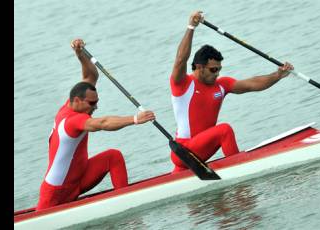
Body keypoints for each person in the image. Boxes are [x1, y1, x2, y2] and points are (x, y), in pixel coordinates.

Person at [36, 39, 156, 210]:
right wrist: (135, 119)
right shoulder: (72, 121)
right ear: (77, 101)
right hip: (55, 192)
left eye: (96, 102)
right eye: (92, 104)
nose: (95, 107)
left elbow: (90, 77)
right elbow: (103, 123)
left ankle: (126, 202)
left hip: (78, 179)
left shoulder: (73, 103)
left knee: (113, 157)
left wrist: (80, 55)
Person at [169, 11, 294, 173]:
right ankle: (240, 170)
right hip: (184, 152)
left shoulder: (221, 85)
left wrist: (277, 75)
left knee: (173, 182)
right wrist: (191, 27)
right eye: (213, 69)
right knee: (224, 130)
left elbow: (252, 84)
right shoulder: (183, 84)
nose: (217, 74)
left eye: (219, 69)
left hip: (199, 152)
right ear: (199, 67)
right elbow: (180, 60)